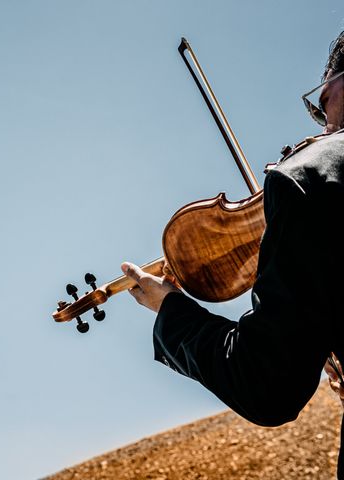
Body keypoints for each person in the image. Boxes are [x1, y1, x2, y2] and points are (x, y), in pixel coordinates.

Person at [121, 31, 344, 476]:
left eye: (321, 101)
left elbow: (266, 385)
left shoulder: (309, 176)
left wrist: (171, 311)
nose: (320, 123)